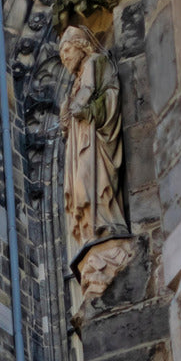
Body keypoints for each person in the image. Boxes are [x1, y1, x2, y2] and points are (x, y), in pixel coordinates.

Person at [58, 25, 126, 249]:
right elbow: (70, 122)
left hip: (94, 144)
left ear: (80, 46)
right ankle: (89, 230)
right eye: (61, 54)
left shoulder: (95, 63)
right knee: (80, 188)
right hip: (79, 145)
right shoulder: (76, 84)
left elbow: (111, 95)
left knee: (90, 184)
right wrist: (67, 117)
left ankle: (105, 224)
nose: (64, 57)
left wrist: (88, 112)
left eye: (67, 50)